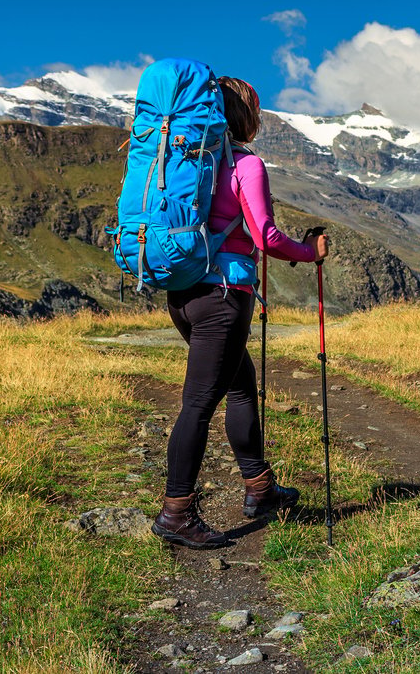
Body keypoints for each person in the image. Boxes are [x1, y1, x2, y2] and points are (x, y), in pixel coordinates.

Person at [151, 76, 329, 549]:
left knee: (240, 385)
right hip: (224, 298)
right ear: (245, 115)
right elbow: (266, 236)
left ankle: (260, 487)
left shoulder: (181, 161)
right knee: (199, 404)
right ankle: (176, 512)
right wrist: (310, 252)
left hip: (183, 294)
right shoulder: (244, 163)